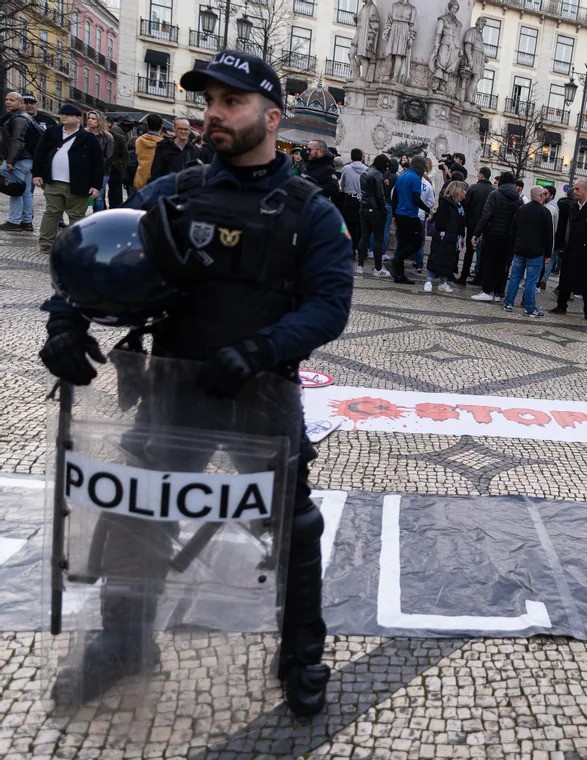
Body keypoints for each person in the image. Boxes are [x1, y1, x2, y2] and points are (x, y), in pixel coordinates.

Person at [38, 49, 352, 717]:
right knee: (135, 518)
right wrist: (65, 325)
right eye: (208, 100)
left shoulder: (310, 211)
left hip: (262, 393)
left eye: (229, 102)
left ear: (272, 118)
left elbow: (330, 305)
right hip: (171, 386)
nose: (213, 113)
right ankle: (123, 646)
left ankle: (301, 655)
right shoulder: (174, 192)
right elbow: (98, 251)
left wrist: (263, 348)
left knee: (293, 526)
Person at [31, 103, 103, 253]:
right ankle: (46, 242)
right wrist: (36, 173)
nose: (63, 116)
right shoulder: (52, 132)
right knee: (52, 212)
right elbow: (40, 153)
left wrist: (96, 185)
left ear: (78, 118)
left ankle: (73, 243)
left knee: (76, 216)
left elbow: (98, 163)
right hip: (53, 181)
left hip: (78, 183)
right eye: (62, 114)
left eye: (68, 114)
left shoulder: (88, 138)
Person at [551, 180, 587, 318]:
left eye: (577, 189)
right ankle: (561, 305)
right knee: (565, 278)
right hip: (572, 248)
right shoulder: (573, 206)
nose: (574, 191)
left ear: (584, 190)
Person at [472, 172, 523, 301]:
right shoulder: (519, 199)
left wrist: (477, 233)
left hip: (492, 235)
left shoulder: (495, 194)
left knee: (488, 263)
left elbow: (486, 216)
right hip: (509, 239)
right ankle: (498, 292)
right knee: (503, 265)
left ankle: (487, 291)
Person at [503, 185, 553, 317]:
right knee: (531, 281)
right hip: (535, 252)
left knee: (515, 277)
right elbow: (549, 235)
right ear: (541, 195)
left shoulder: (521, 209)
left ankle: (508, 303)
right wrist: (548, 253)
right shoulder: (545, 212)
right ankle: (529, 308)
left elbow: (513, 229)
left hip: (520, 249)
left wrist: (512, 246)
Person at [389, 154, 431, 284]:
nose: (424, 169)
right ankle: (395, 261)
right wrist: (429, 210)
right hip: (410, 215)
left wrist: (395, 214)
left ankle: (399, 275)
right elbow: (416, 199)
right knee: (417, 243)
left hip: (400, 214)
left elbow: (394, 196)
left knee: (402, 243)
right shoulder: (416, 178)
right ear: (419, 166)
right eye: (424, 166)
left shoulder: (402, 176)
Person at [1, 91, 38, 232]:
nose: (8, 102)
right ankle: (26, 222)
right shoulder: (25, 117)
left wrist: (10, 160)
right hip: (27, 161)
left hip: (19, 161)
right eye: (7, 99)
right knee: (26, 192)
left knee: (15, 190)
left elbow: (18, 140)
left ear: (21, 103)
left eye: (12, 100)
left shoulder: (19, 118)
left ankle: (14, 221)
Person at [425, 179, 467, 293]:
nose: (465, 193)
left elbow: (461, 223)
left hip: (453, 237)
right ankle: (429, 280)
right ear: (457, 191)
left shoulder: (459, 206)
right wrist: (442, 233)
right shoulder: (446, 203)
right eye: (464, 190)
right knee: (437, 257)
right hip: (444, 236)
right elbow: (441, 221)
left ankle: (443, 282)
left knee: (448, 260)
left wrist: (462, 236)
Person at [356, 154, 390, 277]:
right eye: (386, 166)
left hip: (364, 207)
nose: (386, 169)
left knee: (364, 237)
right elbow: (379, 195)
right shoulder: (378, 174)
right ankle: (377, 268)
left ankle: (360, 266)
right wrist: (384, 209)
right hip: (376, 210)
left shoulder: (366, 171)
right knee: (378, 239)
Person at [459, 166, 493, 285]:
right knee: (483, 252)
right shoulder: (493, 191)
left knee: (469, 251)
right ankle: (480, 278)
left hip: (472, 224)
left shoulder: (473, 188)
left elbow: (465, 203)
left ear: (482, 175)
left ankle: (463, 276)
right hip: (486, 226)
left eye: (479, 173)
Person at [84, 111, 114, 211]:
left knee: (98, 197)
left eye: (93, 118)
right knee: (84, 196)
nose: (90, 120)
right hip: (85, 170)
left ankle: (97, 220)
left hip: (102, 171)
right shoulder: (83, 134)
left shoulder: (107, 137)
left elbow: (109, 156)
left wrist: (95, 164)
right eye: (89, 118)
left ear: (99, 120)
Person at [340, 148, 368, 251]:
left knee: (347, 224)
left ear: (351, 156)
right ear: (361, 157)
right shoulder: (366, 169)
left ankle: (346, 246)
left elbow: (342, 184)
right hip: (362, 199)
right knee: (360, 225)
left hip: (349, 198)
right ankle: (358, 248)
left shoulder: (346, 168)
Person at [133, 114, 164, 190]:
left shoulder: (139, 140)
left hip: (140, 180)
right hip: (156, 182)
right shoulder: (164, 143)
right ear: (161, 127)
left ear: (147, 125)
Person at [106, 115, 129, 209]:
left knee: (115, 192)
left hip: (114, 168)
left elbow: (125, 154)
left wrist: (120, 166)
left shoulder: (118, 136)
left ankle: (115, 209)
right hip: (102, 168)